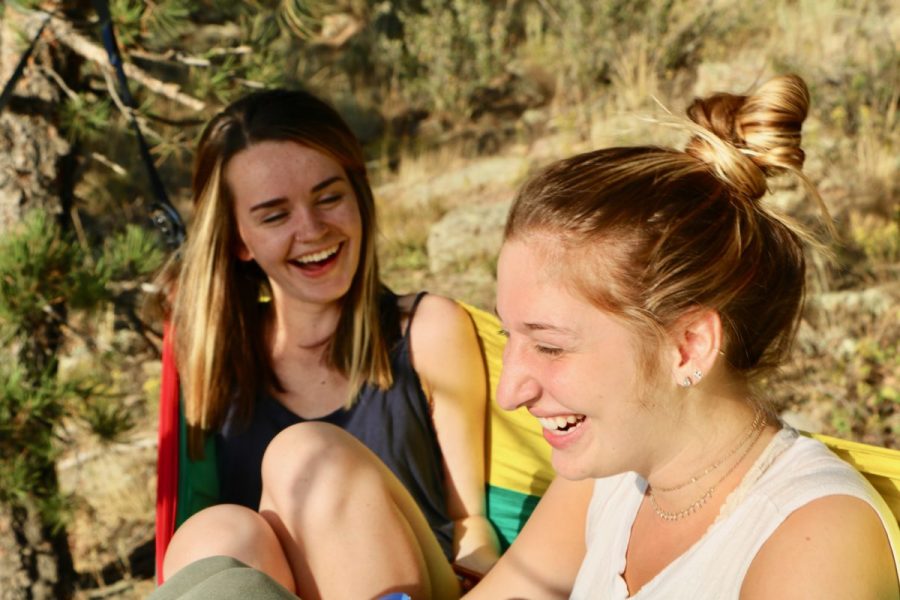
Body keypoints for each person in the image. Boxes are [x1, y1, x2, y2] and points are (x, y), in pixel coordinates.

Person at [463, 73, 900, 598]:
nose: (509, 392)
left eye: (550, 346)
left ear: (689, 346)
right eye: (508, 334)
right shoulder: (609, 477)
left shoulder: (814, 541)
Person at [152, 88, 498, 600]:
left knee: (307, 454)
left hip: (418, 582)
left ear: (358, 196)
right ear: (239, 241)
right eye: (275, 215)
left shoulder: (425, 331)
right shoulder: (211, 359)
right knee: (217, 532)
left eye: (328, 196)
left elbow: (468, 517)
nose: (312, 230)